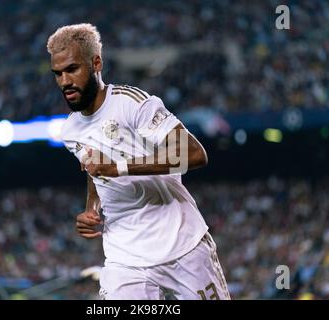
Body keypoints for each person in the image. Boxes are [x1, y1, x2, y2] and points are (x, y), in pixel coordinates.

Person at [47, 23, 230, 300]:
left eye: (72, 69)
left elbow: (194, 153)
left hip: (182, 244)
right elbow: (94, 171)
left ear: (96, 63)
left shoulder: (132, 103)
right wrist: (91, 207)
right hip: (125, 259)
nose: (64, 82)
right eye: (58, 74)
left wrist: (119, 167)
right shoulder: (70, 131)